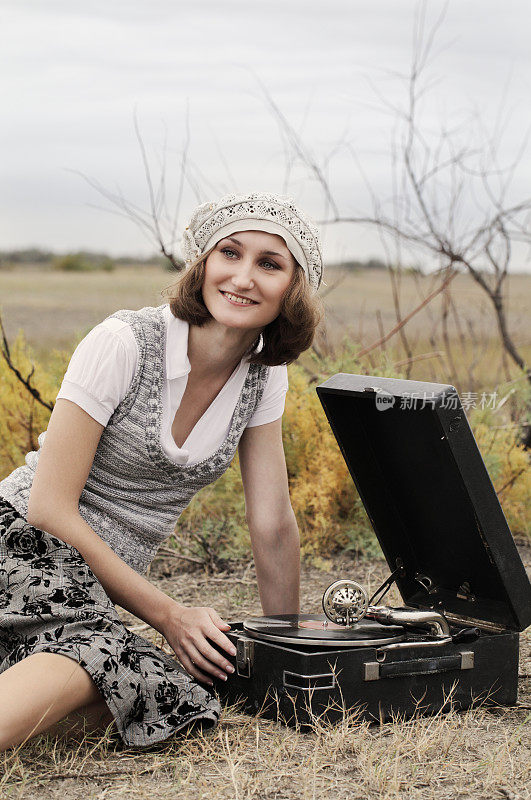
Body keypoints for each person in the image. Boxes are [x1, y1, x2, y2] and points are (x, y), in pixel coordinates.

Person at [0, 191, 324, 751]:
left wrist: (284, 651)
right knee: (101, 660)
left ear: (292, 288)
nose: (243, 278)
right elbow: (48, 508)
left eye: (269, 264)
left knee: (177, 693)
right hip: (24, 545)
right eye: (230, 253)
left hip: (92, 588)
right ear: (203, 264)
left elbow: (272, 521)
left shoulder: (263, 375)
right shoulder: (124, 342)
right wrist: (170, 616)